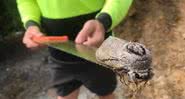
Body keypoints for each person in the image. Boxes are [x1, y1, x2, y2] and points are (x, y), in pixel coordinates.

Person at [16, 0, 133, 99]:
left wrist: (104, 21)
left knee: (106, 94)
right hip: (59, 53)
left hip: (97, 49)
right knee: (64, 95)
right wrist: (31, 23)